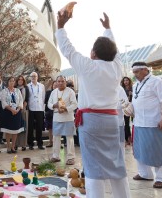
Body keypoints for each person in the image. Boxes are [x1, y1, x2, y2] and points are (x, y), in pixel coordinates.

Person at [56, 10, 130, 197]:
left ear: (93, 53)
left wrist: (60, 26)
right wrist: (108, 29)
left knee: (93, 165)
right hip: (112, 120)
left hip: (91, 121)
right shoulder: (116, 67)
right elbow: (116, 52)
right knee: (116, 163)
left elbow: (67, 49)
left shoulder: (87, 66)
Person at [131, 62, 162, 189]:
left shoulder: (157, 81)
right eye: (134, 73)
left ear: (145, 70)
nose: (135, 75)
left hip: (153, 122)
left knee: (157, 151)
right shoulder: (136, 84)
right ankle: (145, 174)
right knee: (140, 150)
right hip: (138, 122)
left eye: (137, 72)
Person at [47, 75, 78, 165]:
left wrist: (66, 108)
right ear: (56, 82)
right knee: (56, 137)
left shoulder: (70, 91)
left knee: (69, 138)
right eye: (59, 81)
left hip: (68, 117)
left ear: (65, 82)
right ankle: (56, 156)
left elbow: (75, 104)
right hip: (57, 117)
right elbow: (49, 103)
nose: (60, 83)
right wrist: (54, 105)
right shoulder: (53, 92)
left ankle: (71, 157)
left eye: (62, 81)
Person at [0, 76, 24, 153]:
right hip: (8, 112)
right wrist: (11, 109)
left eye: (13, 81)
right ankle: (8, 147)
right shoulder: (4, 91)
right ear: (7, 82)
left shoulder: (17, 91)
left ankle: (13, 147)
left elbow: (21, 100)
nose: (12, 82)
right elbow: (3, 102)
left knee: (15, 130)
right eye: (10, 81)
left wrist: (17, 109)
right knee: (8, 130)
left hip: (17, 112)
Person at [27, 72, 45, 150]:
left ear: (37, 77)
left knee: (39, 127)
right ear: (30, 77)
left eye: (35, 76)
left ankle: (40, 144)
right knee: (30, 127)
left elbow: (43, 97)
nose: (33, 77)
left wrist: (42, 106)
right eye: (32, 76)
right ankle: (30, 144)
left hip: (39, 108)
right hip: (31, 108)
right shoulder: (27, 86)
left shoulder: (42, 86)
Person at [15, 75, 29, 151]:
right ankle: (16, 144)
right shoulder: (14, 89)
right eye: (19, 79)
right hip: (15, 110)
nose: (20, 81)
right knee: (16, 127)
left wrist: (23, 106)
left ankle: (23, 144)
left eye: (22, 80)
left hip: (23, 110)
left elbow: (27, 99)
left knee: (23, 127)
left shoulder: (26, 88)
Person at [44, 81, 57, 148]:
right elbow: (45, 101)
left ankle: (57, 143)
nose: (55, 86)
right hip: (49, 113)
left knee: (57, 128)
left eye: (56, 85)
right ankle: (50, 142)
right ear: (52, 86)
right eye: (54, 85)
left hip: (58, 113)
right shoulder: (48, 92)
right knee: (50, 128)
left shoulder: (60, 93)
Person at [121, 77, 133, 145]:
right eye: (124, 80)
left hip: (133, 107)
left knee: (133, 123)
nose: (125, 82)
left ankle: (130, 138)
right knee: (126, 123)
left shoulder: (132, 88)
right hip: (125, 107)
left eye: (127, 80)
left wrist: (131, 95)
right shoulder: (122, 89)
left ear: (129, 81)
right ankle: (127, 138)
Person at [0, 71, 6, 145]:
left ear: (0, 76)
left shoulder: (5, 85)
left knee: (2, 121)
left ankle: (0, 138)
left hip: (2, 104)